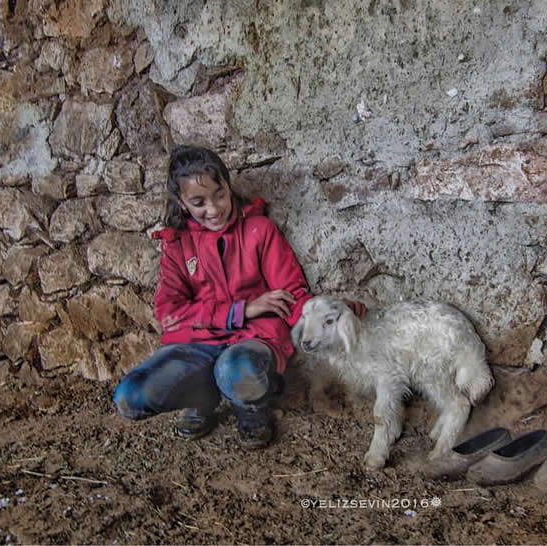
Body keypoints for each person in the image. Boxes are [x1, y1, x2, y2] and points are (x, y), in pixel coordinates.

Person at [113, 145, 364, 449]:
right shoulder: (177, 246)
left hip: (253, 341)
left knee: (235, 367)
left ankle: (252, 409)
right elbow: (170, 313)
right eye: (199, 202)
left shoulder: (259, 230)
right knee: (131, 397)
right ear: (181, 203)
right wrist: (240, 310)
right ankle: (201, 397)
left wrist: (328, 314)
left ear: (228, 187)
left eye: (220, 194)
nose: (214, 208)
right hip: (197, 342)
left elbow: (293, 294)